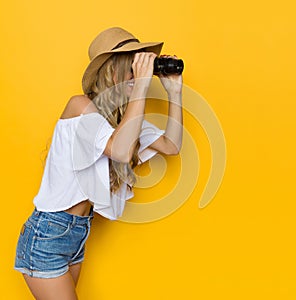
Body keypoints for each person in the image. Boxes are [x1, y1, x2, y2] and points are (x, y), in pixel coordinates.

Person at [14, 27, 183, 299]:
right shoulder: (79, 106)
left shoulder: (125, 121)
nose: (137, 75)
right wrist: (140, 86)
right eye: (130, 67)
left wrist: (174, 91)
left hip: (76, 234)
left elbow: (172, 146)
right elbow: (119, 150)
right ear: (110, 71)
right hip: (47, 234)